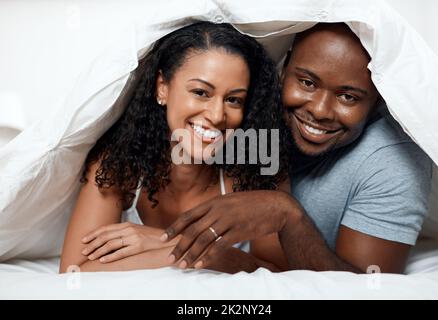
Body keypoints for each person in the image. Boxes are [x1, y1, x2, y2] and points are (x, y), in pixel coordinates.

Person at [162, 23, 432, 274]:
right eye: (307, 83)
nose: (319, 110)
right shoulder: (251, 117)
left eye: (348, 97)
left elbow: (368, 291)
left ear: (377, 102)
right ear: (284, 67)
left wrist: (289, 216)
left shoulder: (392, 164)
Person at [59, 22, 291, 273]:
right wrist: (202, 252)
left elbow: (277, 274)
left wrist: (164, 241)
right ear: (163, 88)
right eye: (201, 92)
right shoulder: (118, 165)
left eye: (233, 100)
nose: (217, 115)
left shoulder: (258, 171)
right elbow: (74, 273)